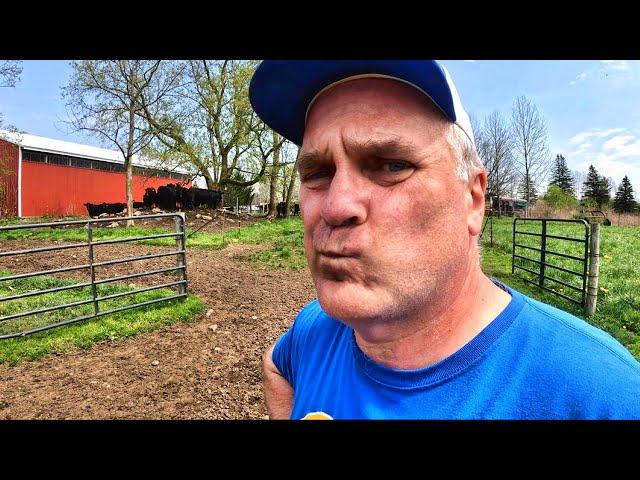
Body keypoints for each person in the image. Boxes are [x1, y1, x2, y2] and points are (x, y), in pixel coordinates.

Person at [249, 60, 640, 419]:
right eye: (317, 172)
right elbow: (275, 366)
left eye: (392, 165)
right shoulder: (314, 330)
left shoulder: (602, 396)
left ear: (473, 200)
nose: (335, 206)